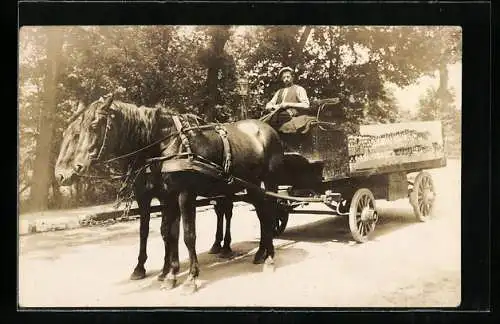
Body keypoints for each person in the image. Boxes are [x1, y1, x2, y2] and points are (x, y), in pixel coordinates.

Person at [262, 66, 312, 133]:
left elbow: (306, 105)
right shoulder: (279, 91)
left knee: (281, 118)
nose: (286, 79)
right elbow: (268, 105)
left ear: (292, 77)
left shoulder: (299, 89)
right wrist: (275, 106)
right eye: (284, 78)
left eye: (288, 77)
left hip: (292, 116)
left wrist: (288, 104)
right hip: (278, 115)